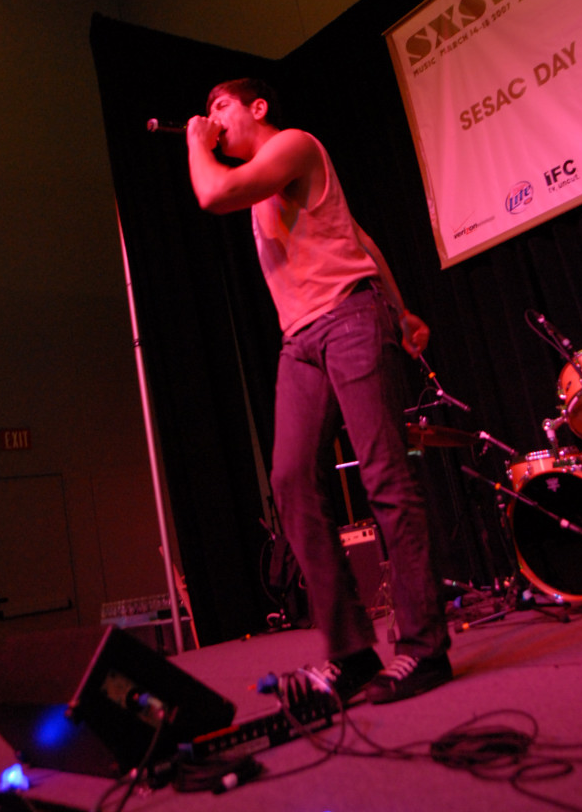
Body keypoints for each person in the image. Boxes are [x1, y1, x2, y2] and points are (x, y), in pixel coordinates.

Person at [186, 78, 451, 705]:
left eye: (219, 106)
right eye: (205, 112)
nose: (210, 117)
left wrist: (195, 140)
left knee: (385, 476)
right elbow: (359, 236)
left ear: (257, 107)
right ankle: (351, 652)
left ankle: (424, 648)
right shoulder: (268, 182)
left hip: (349, 317)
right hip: (300, 339)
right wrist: (404, 310)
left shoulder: (295, 145)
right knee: (290, 479)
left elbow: (212, 193)